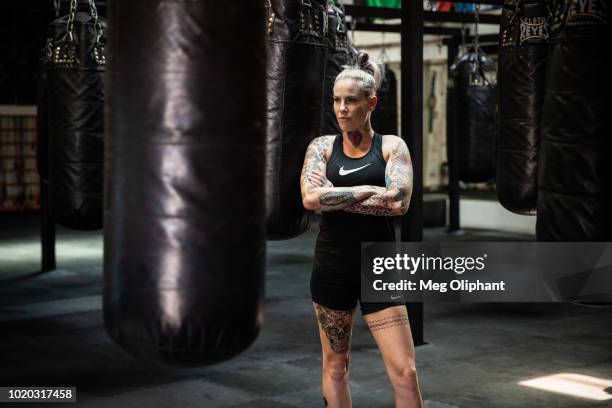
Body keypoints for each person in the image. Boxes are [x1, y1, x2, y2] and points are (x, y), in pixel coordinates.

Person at [300, 51, 423, 408]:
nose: (341, 109)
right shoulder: (321, 147)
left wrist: (333, 197)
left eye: (350, 101)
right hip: (332, 266)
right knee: (336, 368)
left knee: (406, 372)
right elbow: (310, 198)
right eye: (336, 100)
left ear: (371, 103)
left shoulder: (391, 146)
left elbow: (399, 202)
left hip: (380, 267)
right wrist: (370, 190)